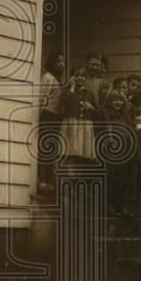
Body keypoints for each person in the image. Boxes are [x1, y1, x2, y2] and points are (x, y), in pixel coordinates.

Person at [102, 90, 135, 215]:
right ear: (110, 101)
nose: (118, 103)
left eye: (120, 100)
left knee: (124, 178)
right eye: (115, 100)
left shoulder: (125, 115)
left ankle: (120, 205)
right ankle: (109, 205)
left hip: (125, 148)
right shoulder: (106, 114)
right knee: (112, 177)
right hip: (112, 147)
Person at [37, 52, 66, 192]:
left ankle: (50, 181)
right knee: (45, 148)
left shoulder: (61, 79)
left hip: (57, 117)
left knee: (53, 150)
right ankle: (42, 181)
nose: (61, 63)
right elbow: (43, 97)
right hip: (48, 115)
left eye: (63, 61)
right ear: (52, 62)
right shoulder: (47, 77)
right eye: (58, 61)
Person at [59, 66, 98, 165]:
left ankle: (78, 178)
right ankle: (69, 178)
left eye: (82, 76)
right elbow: (66, 103)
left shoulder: (90, 93)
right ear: (72, 77)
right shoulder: (67, 92)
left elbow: (98, 112)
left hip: (85, 125)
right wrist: (71, 88)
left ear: (86, 78)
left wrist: (92, 108)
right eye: (76, 75)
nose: (79, 78)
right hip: (71, 124)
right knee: (70, 153)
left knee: (83, 156)